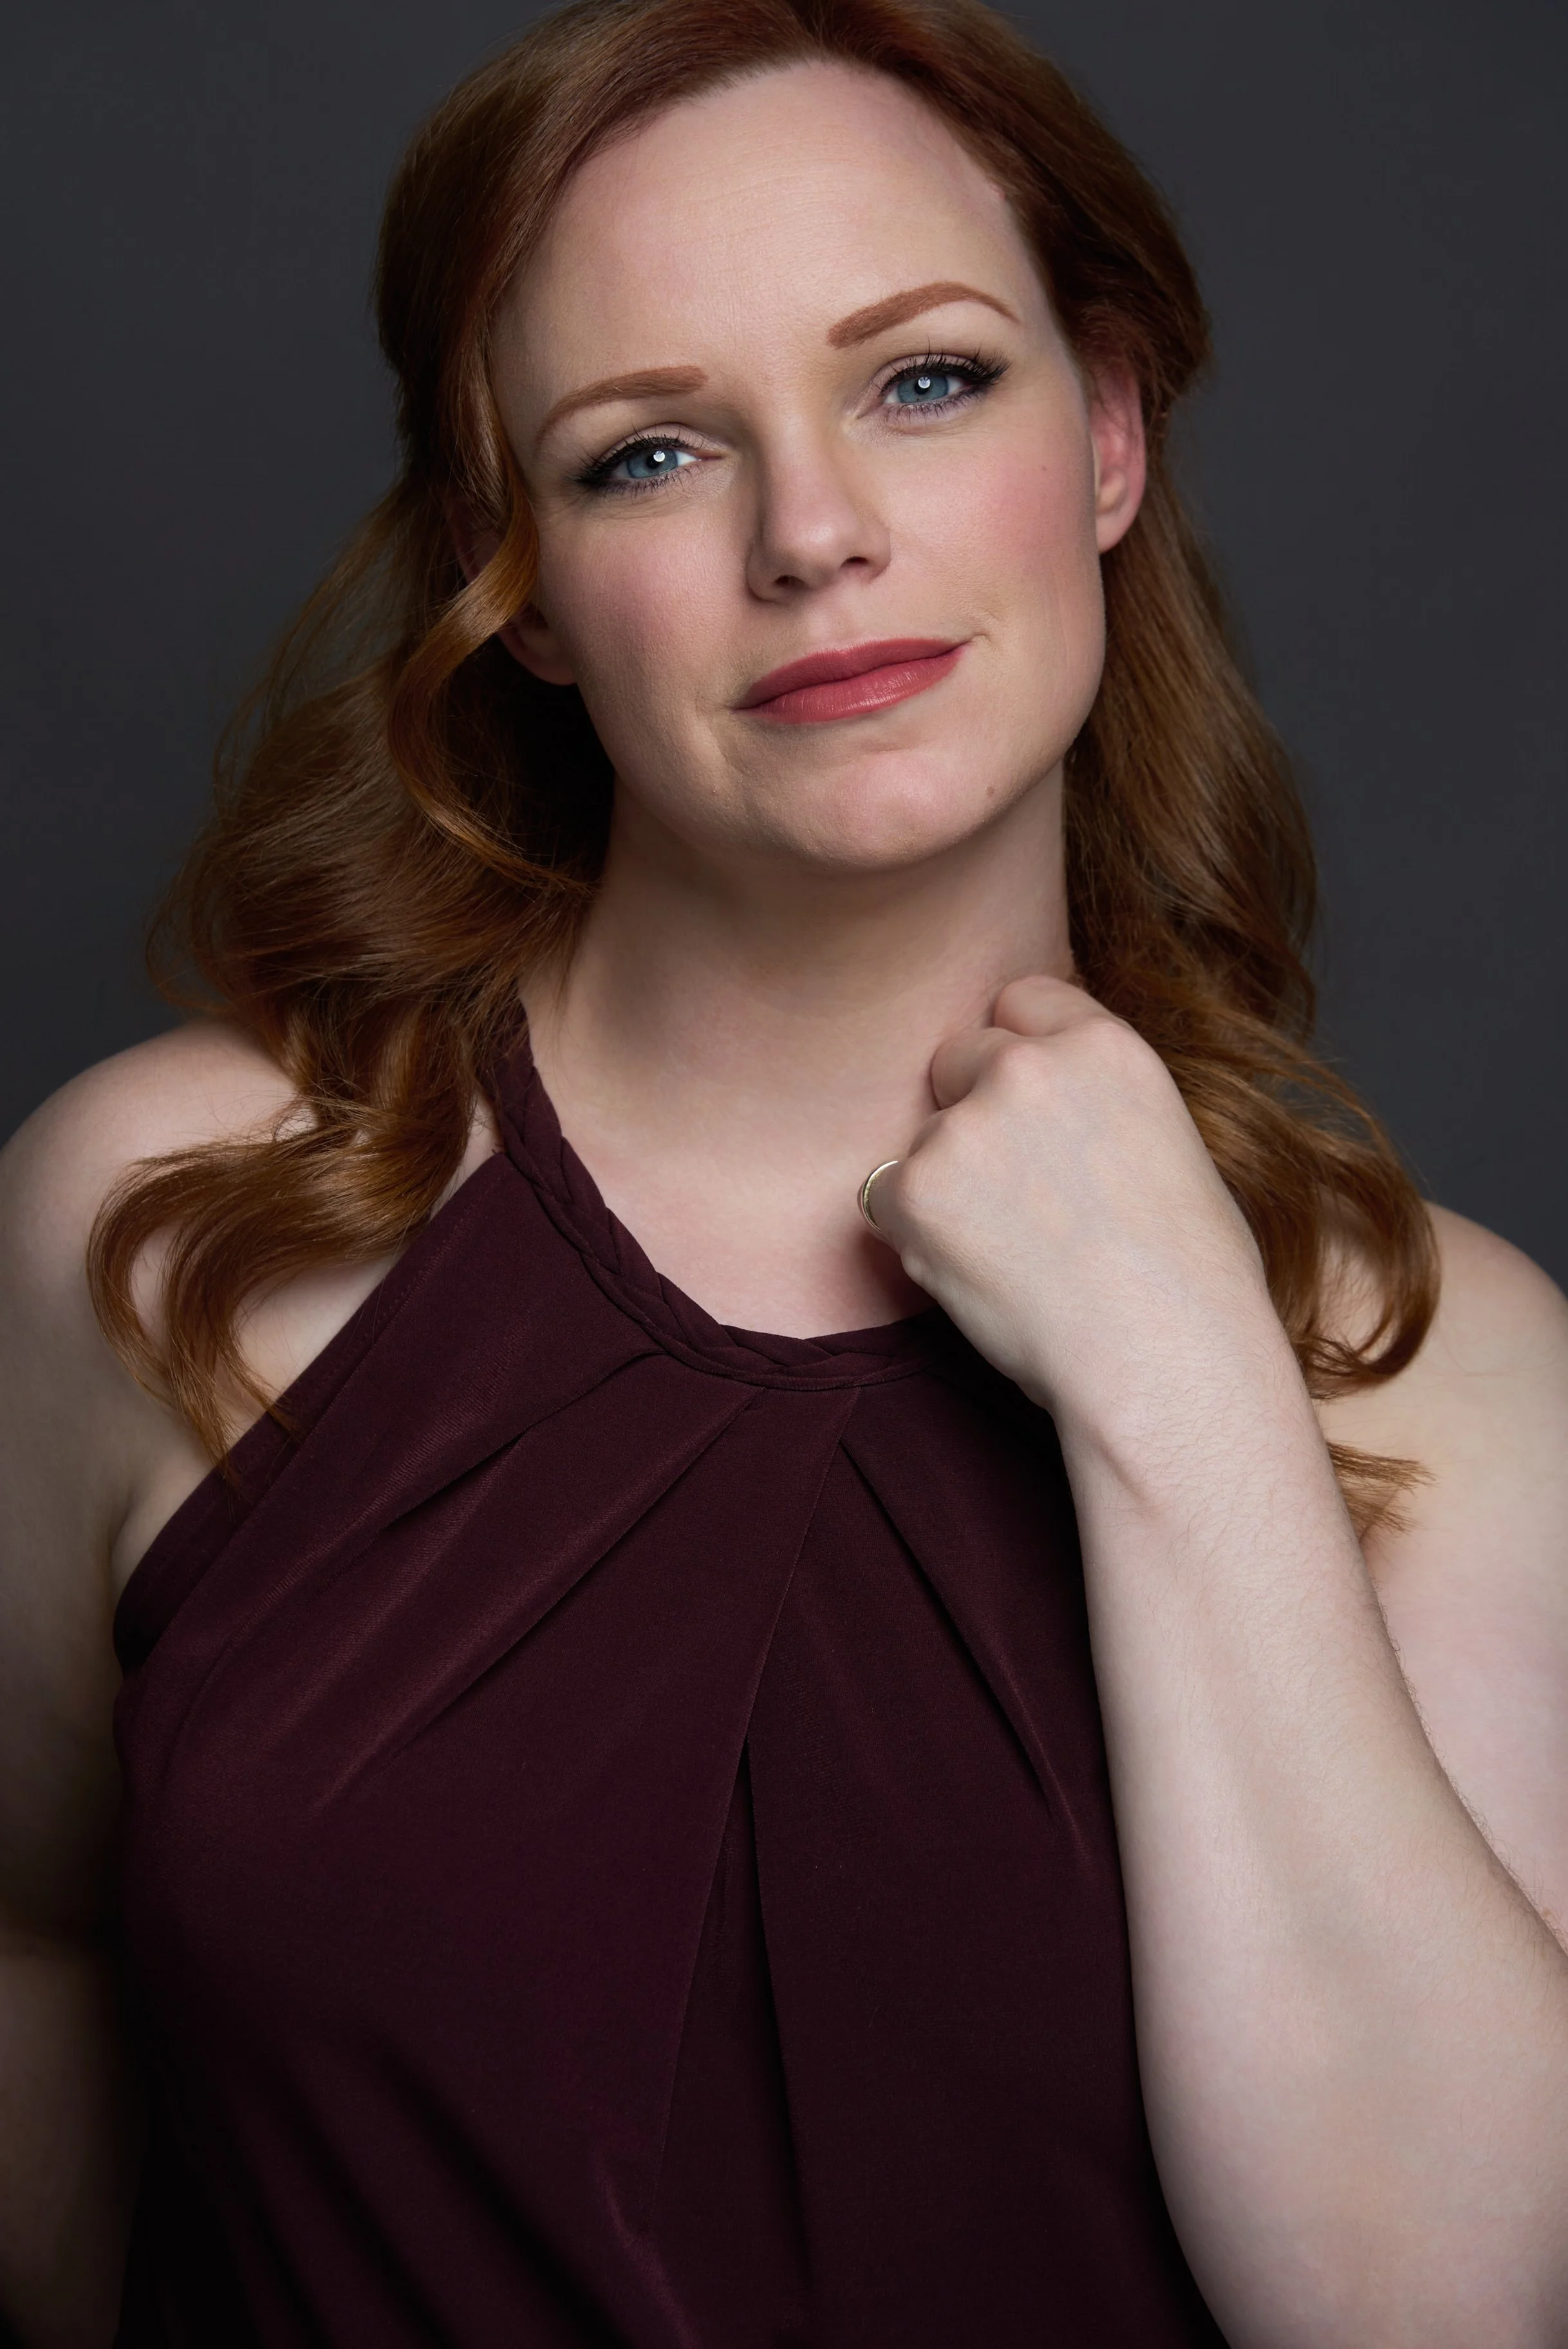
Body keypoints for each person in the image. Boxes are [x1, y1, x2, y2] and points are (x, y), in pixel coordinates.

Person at [3, 0, 1566, 2339]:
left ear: (1111, 434)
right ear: (505, 571)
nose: (813, 533)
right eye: (644, 453)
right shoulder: (169, 1227)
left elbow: (1438, 2310)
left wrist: (1180, 1373)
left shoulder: (1441, 1373)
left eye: (925, 381)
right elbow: (32, 1939)